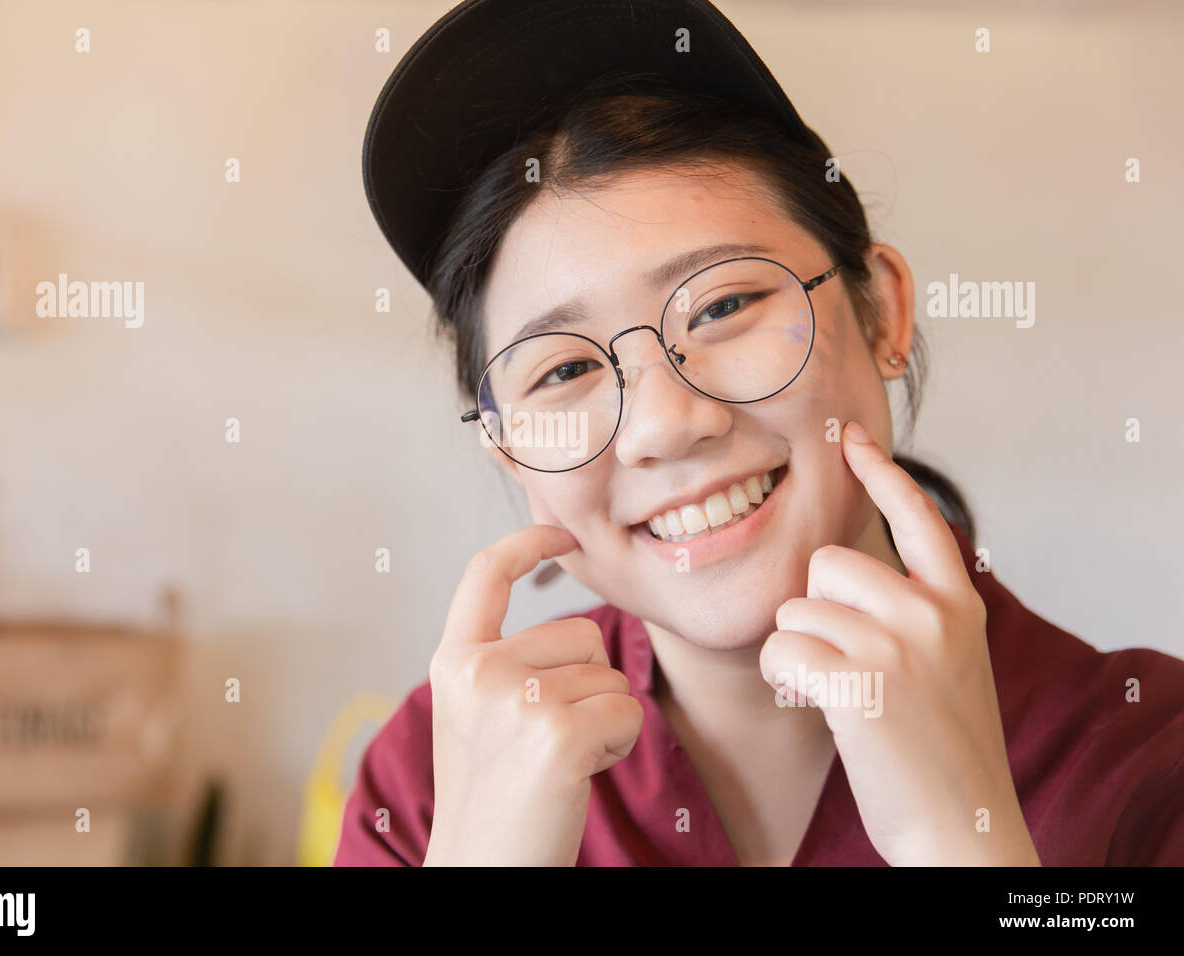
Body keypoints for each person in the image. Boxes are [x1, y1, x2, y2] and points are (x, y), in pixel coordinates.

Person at [335, 0, 1184, 866]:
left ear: (881, 309)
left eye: (725, 307)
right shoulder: (426, 788)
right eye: (564, 371)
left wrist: (955, 840)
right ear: (510, 450)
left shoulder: (1150, 759)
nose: (664, 424)